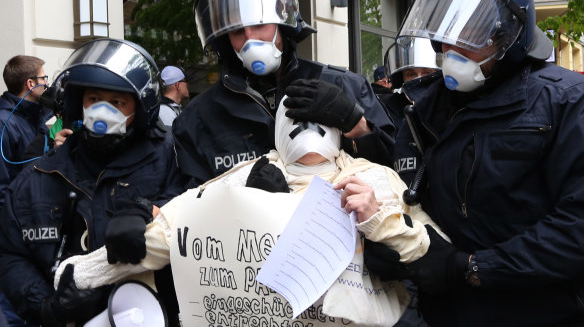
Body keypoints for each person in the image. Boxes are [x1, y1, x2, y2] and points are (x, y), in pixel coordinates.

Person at [52, 96, 444, 326]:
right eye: (295, 120)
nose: (307, 130)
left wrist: (383, 224)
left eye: (317, 120)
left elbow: (432, 250)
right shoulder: (243, 177)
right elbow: (170, 235)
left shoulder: (374, 178)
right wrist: (81, 272)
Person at [366, 0, 584, 326]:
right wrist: (390, 243)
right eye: (447, 35)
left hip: (539, 313)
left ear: (508, 38)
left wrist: (469, 268)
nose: (452, 50)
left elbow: (575, 226)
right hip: (443, 313)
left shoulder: (565, 101)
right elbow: (404, 191)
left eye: (471, 35)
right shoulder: (422, 107)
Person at [0, 38, 187, 326]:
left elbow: (192, 207)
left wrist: (149, 212)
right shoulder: (41, 175)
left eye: (116, 102)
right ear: (78, 104)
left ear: (137, 109)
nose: (102, 110)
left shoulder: (170, 158)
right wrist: (46, 306)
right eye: (93, 99)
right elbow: (11, 251)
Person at [173, 0, 395, 186]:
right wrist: (242, 197)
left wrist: (355, 123)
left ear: (282, 23)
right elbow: (189, 203)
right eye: (238, 31)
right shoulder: (200, 117)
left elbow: (393, 174)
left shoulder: (344, 84)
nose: (250, 39)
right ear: (225, 40)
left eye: (260, 24)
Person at [0, 55, 50, 202]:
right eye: (43, 78)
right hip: (15, 218)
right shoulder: (4, 123)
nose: (47, 83)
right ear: (30, 84)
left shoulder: (34, 116)